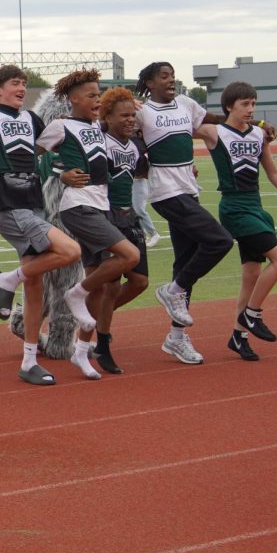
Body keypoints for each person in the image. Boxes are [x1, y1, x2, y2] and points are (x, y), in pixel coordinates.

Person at [0, 65, 81, 386]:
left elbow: (43, 151)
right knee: (70, 250)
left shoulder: (33, 120)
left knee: (35, 281)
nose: (22, 88)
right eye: (15, 83)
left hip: (34, 206)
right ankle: (6, 279)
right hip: (10, 208)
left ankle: (28, 361)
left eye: (24, 83)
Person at [37, 70, 140, 380]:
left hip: (101, 206)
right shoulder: (60, 125)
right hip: (77, 206)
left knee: (99, 281)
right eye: (92, 95)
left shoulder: (97, 125)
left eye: (99, 94)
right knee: (129, 257)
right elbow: (31, 155)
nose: (98, 100)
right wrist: (59, 172)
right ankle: (75, 294)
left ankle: (81, 351)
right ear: (74, 100)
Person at [199, 82, 277, 360]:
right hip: (234, 209)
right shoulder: (214, 133)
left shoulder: (259, 134)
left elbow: (273, 173)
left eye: (253, 104)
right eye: (244, 104)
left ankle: (238, 336)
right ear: (229, 106)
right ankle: (252, 314)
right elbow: (181, 124)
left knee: (251, 275)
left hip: (257, 207)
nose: (250, 109)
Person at [134, 62, 234, 364]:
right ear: (149, 83)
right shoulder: (142, 111)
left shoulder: (187, 104)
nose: (171, 80)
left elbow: (210, 119)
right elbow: (121, 132)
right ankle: (172, 290)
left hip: (188, 190)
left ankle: (176, 338)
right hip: (166, 192)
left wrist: (241, 119)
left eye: (173, 75)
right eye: (164, 76)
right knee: (220, 241)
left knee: (185, 261)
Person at [86, 86, 152, 374]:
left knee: (140, 282)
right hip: (103, 217)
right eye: (123, 115)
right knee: (108, 285)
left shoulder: (135, 146)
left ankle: (95, 321)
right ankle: (102, 341)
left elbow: (141, 172)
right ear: (107, 117)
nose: (130, 120)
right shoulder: (98, 139)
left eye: (132, 115)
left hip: (129, 219)